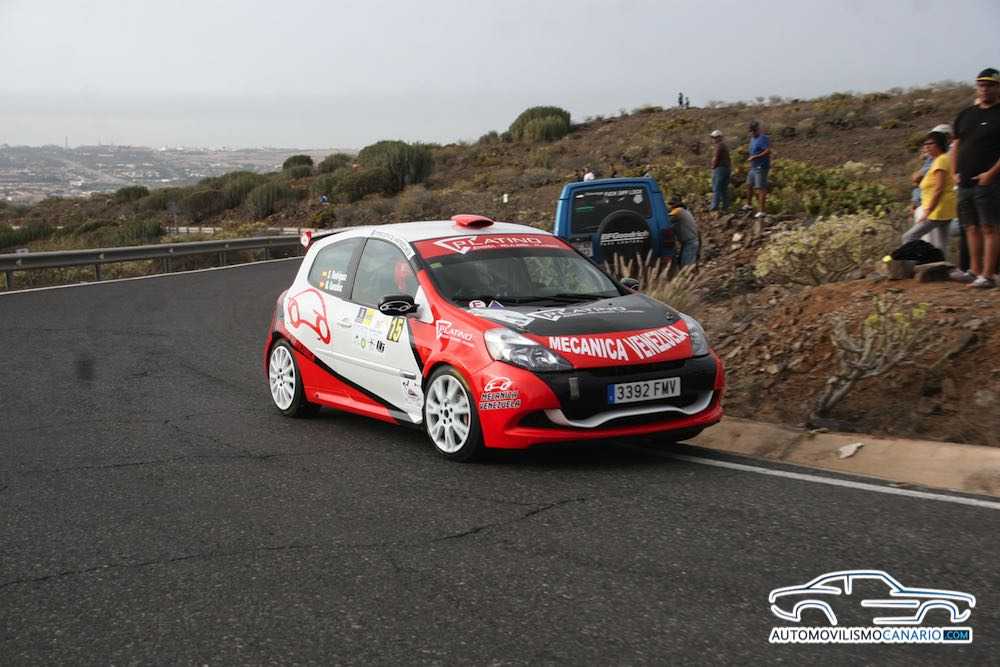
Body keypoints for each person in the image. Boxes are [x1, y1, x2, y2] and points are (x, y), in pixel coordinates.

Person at [952, 67, 1000, 288]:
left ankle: (988, 275)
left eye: (990, 85)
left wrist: (990, 174)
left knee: (989, 227)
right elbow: (956, 144)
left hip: (989, 181)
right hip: (964, 180)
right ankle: (974, 271)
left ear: (997, 88)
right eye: (981, 85)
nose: (985, 89)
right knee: (970, 227)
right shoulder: (966, 114)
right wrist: (954, 172)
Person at [901, 131, 956, 254]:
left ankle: (913, 263)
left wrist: (928, 211)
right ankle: (939, 265)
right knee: (941, 246)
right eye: (925, 144)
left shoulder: (940, 161)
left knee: (909, 237)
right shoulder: (942, 159)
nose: (926, 147)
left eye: (930, 144)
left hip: (937, 210)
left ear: (939, 145)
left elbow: (938, 188)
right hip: (944, 209)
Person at [746, 120, 771, 218]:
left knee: (760, 188)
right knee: (749, 185)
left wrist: (755, 157)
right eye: (751, 131)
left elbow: (767, 151)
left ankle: (762, 211)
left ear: (757, 129)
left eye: (753, 131)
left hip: (761, 166)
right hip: (753, 167)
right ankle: (749, 205)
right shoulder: (752, 139)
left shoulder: (763, 138)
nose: (752, 133)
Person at [667, 194, 699, 267]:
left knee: (686, 266)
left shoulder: (678, 211)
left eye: (672, 204)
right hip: (690, 242)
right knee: (684, 265)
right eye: (670, 204)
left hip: (690, 243)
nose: (671, 206)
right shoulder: (684, 211)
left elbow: (666, 218)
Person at [709, 130, 731, 212]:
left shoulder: (719, 145)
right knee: (723, 189)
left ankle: (714, 206)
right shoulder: (723, 145)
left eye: (715, 137)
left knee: (716, 187)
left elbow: (716, 158)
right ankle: (726, 206)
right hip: (726, 168)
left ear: (719, 137)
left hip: (720, 169)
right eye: (713, 137)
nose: (713, 139)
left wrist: (713, 167)